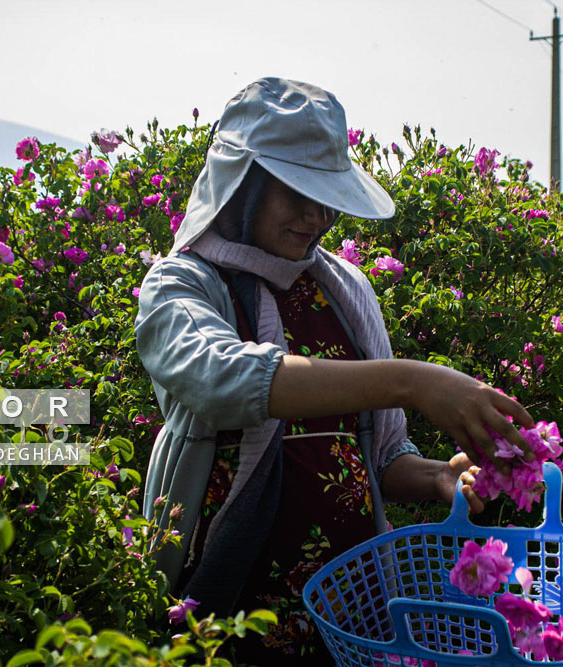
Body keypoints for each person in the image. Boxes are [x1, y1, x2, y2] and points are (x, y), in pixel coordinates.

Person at [134, 77, 534, 664]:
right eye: (293, 191)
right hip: (227, 605)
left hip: (350, 608)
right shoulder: (184, 286)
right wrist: (413, 379)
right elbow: (223, 377)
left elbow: (382, 458)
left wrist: (438, 478)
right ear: (241, 187)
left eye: (324, 194)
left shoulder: (343, 292)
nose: (315, 214)